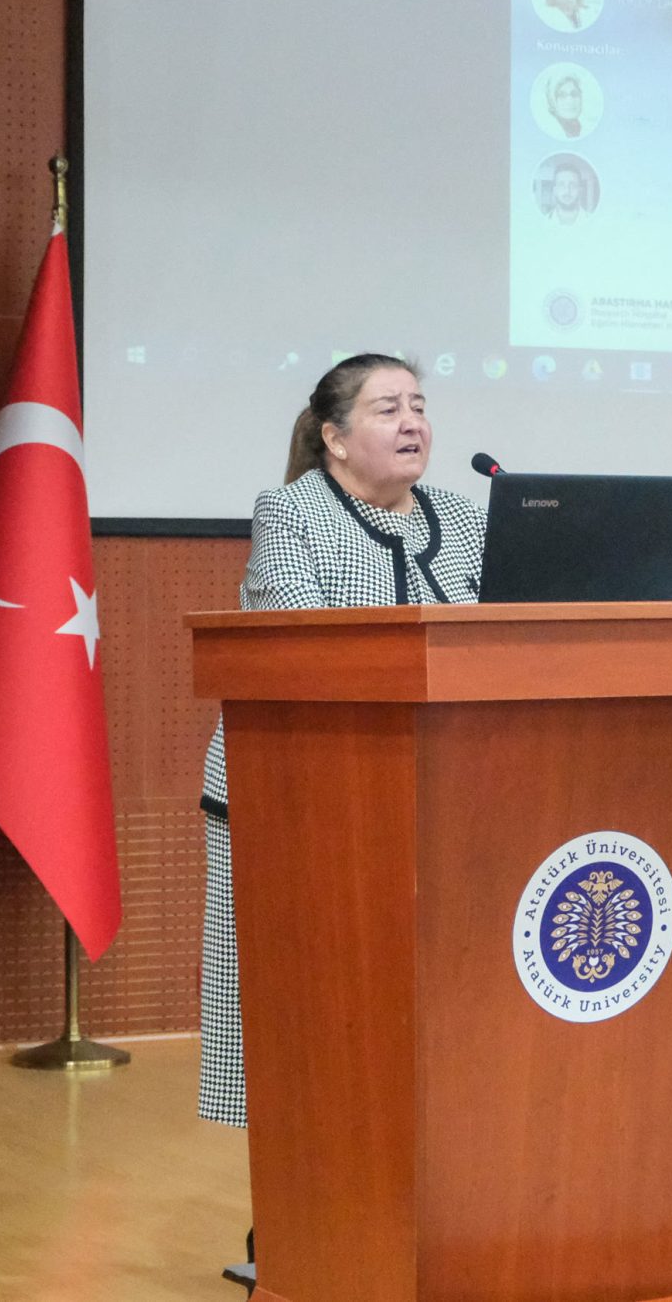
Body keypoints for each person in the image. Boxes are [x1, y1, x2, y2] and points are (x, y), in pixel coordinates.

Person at [195, 354, 485, 1092]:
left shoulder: (466, 518)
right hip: (299, 788)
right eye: (389, 409)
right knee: (305, 1007)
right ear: (335, 438)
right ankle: (304, 1154)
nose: (413, 422)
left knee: (426, 1014)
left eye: (419, 407)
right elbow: (297, 644)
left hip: (441, 791)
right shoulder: (291, 512)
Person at [545, 73, 585, 138]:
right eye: (562, 95)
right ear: (552, 101)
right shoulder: (551, 128)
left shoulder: (580, 128)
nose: (570, 101)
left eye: (574, 94)